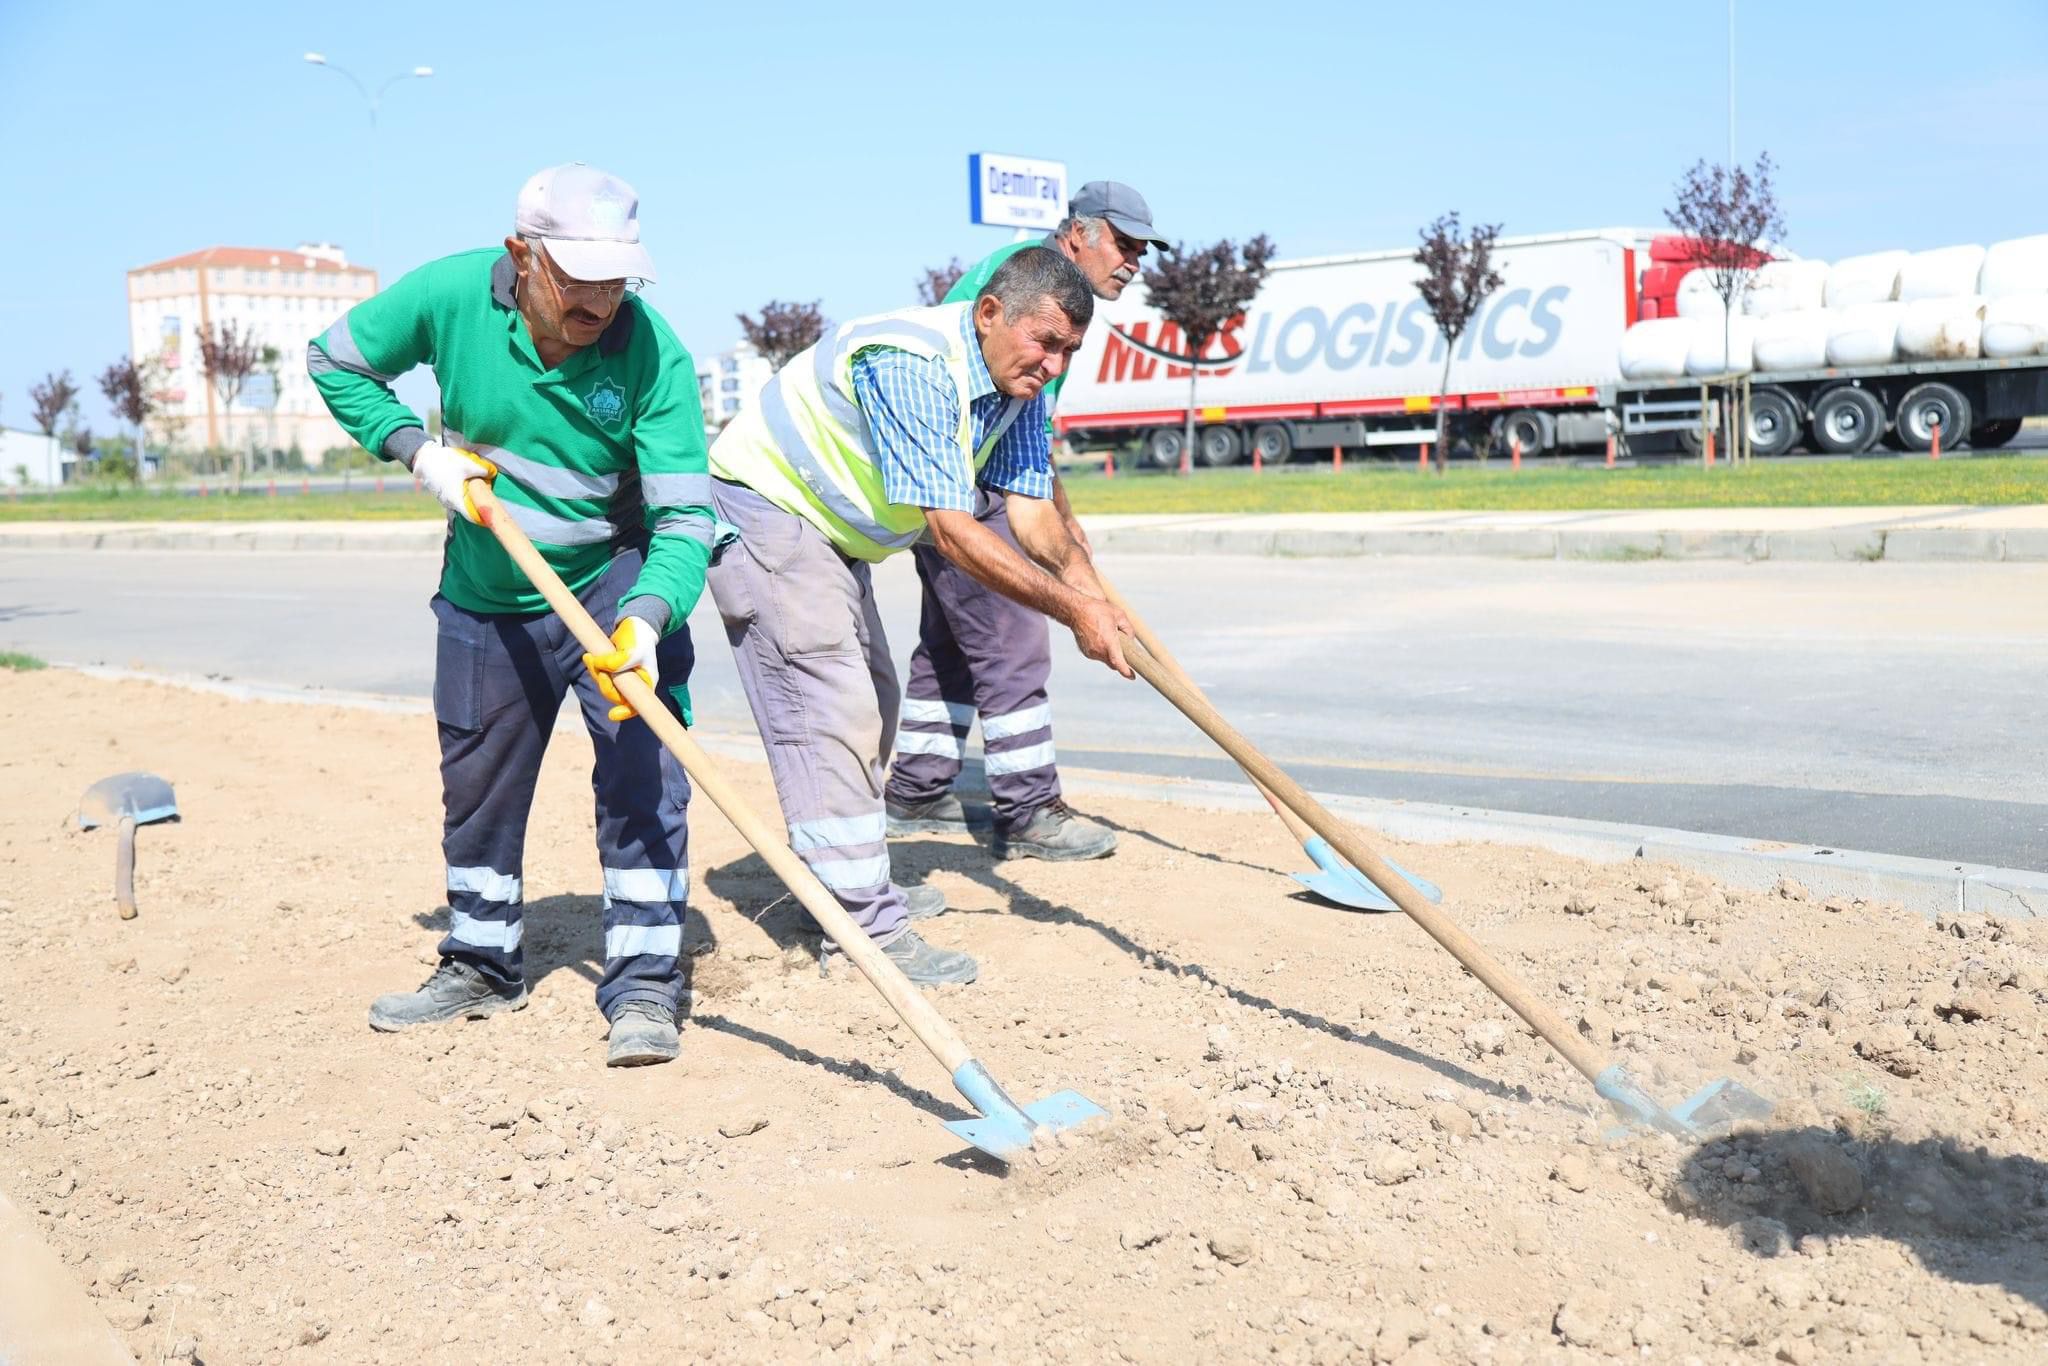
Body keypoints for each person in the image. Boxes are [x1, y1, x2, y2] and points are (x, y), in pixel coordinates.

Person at [308, 163, 715, 1067]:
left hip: (616, 579)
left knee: (645, 776)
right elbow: (333, 360)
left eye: (619, 280)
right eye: (579, 278)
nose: (601, 302)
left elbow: (688, 516)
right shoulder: (450, 294)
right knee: (478, 784)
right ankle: (482, 962)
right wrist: (416, 450)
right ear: (521, 257)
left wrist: (647, 620)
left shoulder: (655, 353)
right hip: (488, 593)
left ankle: (645, 983)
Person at [704, 247, 1133, 985]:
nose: (1054, 364)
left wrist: (1097, 594)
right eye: (1046, 341)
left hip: (834, 533)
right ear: (990, 313)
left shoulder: (1017, 385)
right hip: (770, 507)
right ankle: (864, 926)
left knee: (873, 701)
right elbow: (953, 530)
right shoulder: (912, 362)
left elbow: (1030, 515)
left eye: (1069, 350)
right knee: (829, 709)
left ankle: (841, 887)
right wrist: (1073, 612)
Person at [884, 182, 1168, 860]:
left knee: (954, 643)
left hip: (969, 475)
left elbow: (1027, 428)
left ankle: (918, 789)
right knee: (1013, 637)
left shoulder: (1058, 301)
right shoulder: (1024, 282)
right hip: (960, 484)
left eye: (1140, 251)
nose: (1132, 262)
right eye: (1122, 244)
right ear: (1078, 234)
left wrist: (1066, 530)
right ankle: (1030, 808)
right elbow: (978, 403)